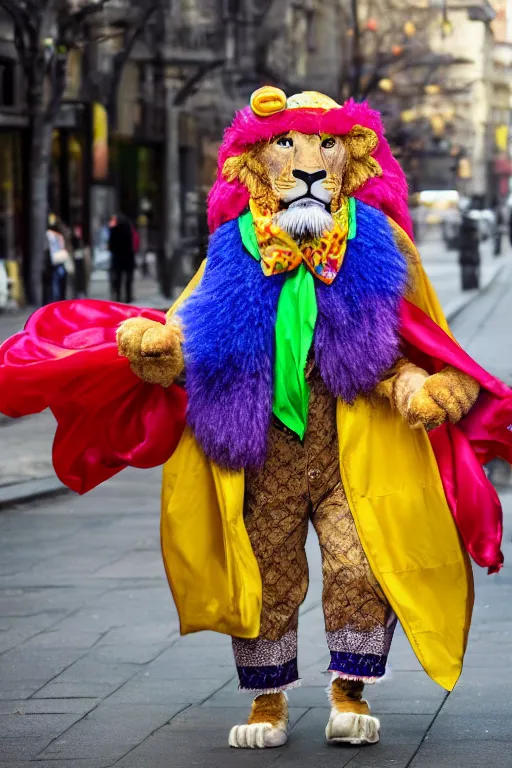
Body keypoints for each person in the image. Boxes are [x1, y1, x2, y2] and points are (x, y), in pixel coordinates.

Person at [1, 89, 511, 753]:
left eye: (324, 145)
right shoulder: (231, 250)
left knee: (359, 563)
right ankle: (266, 699)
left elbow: (412, 342)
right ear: (253, 161)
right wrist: (163, 352)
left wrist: (420, 385)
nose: (306, 162)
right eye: (285, 145)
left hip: (351, 445)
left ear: (350, 159)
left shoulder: (380, 245)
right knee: (264, 571)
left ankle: (348, 691)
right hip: (258, 448)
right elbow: (191, 332)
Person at [108, 213, 135, 303]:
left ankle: (118, 296)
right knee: (128, 279)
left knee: (118, 278)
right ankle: (128, 296)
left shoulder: (114, 231)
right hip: (128, 257)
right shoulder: (128, 230)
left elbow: (111, 246)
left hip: (117, 257)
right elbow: (131, 244)